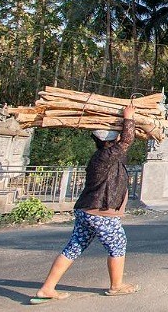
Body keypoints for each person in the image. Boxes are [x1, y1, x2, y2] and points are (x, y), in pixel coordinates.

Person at [31, 105, 140, 304]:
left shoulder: (107, 156)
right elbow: (127, 140)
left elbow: (125, 144)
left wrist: (128, 124)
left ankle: (47, 288)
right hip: (100, 212)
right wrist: (129, 118)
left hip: (87, 211)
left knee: (74, 247)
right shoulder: (104, 157)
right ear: (110, 140)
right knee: (118, 244)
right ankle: (116, 286)